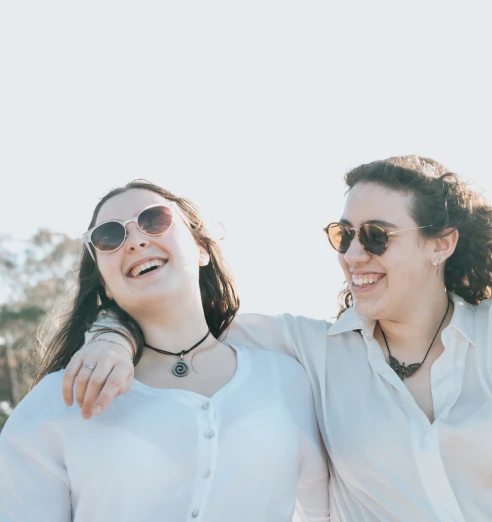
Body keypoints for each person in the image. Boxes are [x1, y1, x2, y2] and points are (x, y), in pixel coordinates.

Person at [63, 156, 492, 521]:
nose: (353, 253)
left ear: (441, 244)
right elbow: (176, 320)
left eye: (376, 236)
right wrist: (109, 334)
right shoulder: (309, 350)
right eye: (341, 235)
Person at [0, 181, 329, 522]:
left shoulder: (287, 380)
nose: (137, 241)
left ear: (201, 249)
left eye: (154, 220)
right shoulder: (57, 402)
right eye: (109, 237)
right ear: (105, 286)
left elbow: (326, 512)